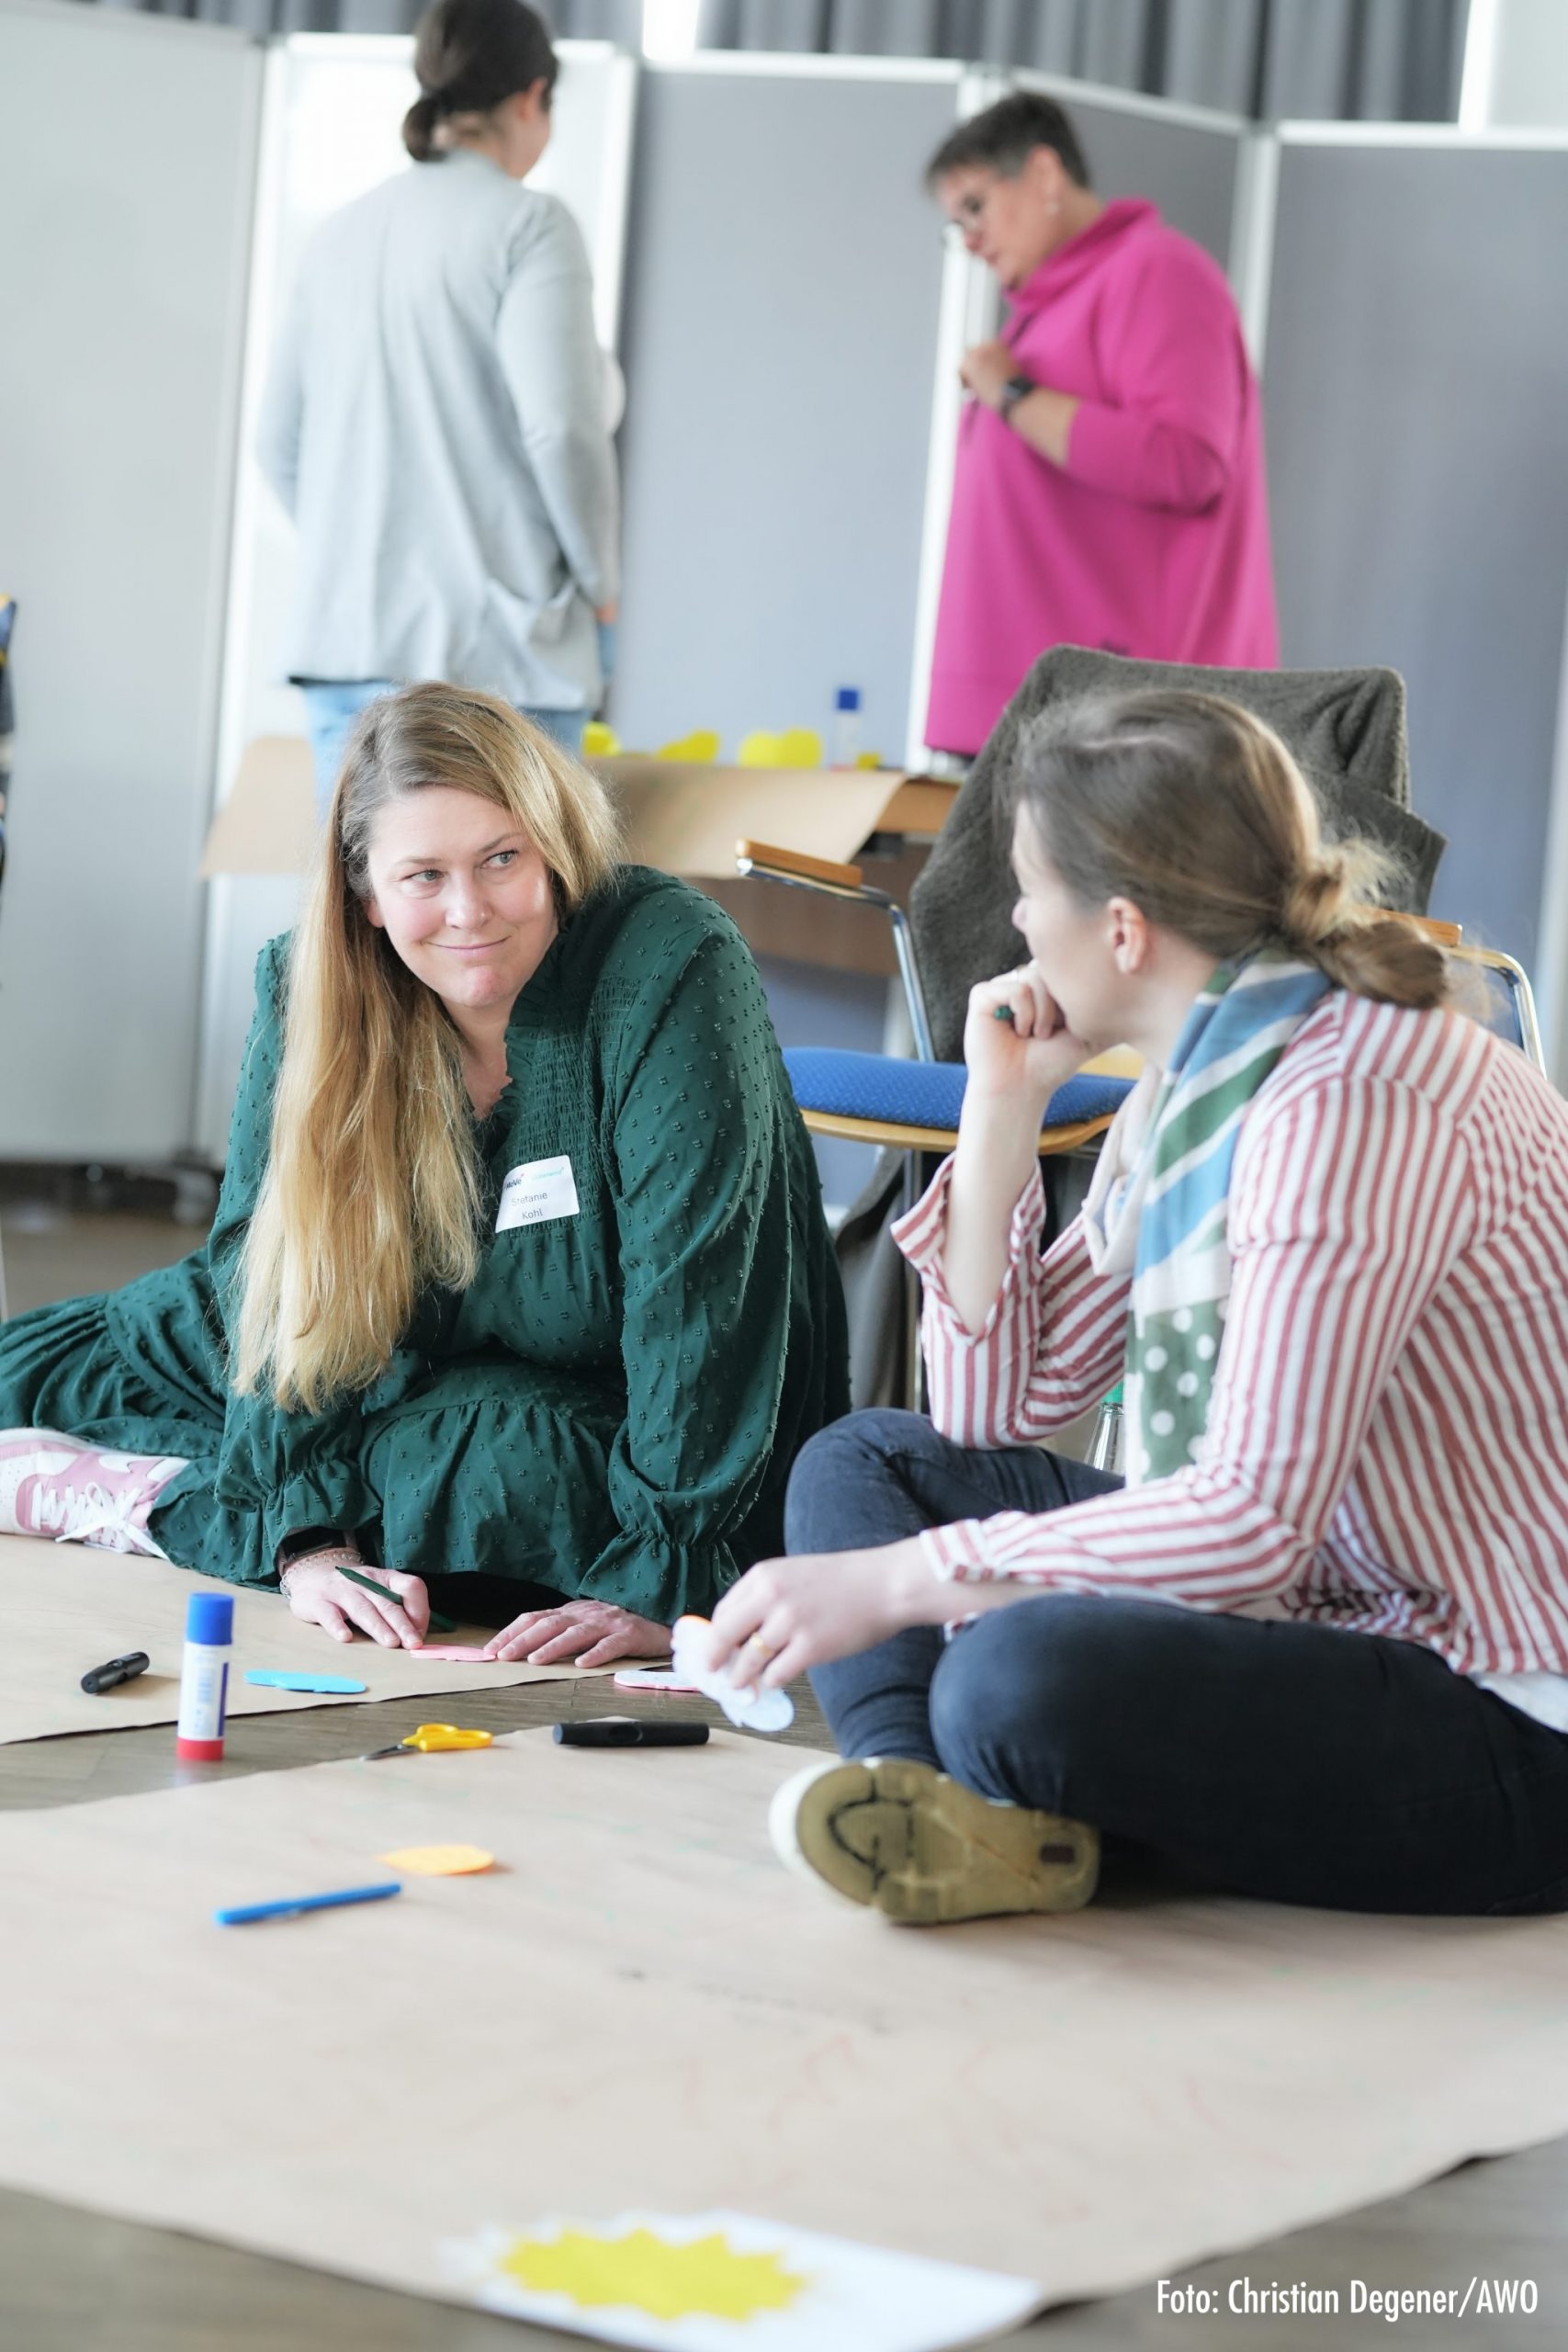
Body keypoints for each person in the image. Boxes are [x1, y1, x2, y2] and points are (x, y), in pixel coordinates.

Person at [702, 688, 1568, 1921]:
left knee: (1013, 1677)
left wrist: (899, 1584)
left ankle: (998, 1783)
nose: (1013, 922)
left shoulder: (1347, 1094)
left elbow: (1250, 1524)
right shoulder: (1195, 1080)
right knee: (863, 1463)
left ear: (1119, 929)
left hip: (1502, 1701)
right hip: (1327, 1596)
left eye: (1026, 890)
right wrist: (1000, 1109)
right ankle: (923, 1806)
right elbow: (992, 1411)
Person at [0, 686, 848, 1667]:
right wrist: (312, 1541)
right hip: (388, 1341)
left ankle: (163, 1496)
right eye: (423, 876)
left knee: (493, 1468)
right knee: (38, 1375)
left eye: (502, 859)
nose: (468, 910)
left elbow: (700, 1303)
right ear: (367, 895)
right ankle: (222, 1488)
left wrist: (668, 1570)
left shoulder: (669, 960)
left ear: (555, 848)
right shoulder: (312, 980)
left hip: (608, 1399)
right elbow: (275, 1280)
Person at [256, 0, 619, 813]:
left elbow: (276, 443)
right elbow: (561, 429)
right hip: (497, 662)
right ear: (532, 98)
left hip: (346, 646)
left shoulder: (339, 234)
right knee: (507, 895)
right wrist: (600, 581)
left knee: (363, 893)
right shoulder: (529, 225)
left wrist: (364, 551)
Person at [923, 93, 1278, 761]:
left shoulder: (1156, 272)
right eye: (956, 223)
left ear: (1043, 174)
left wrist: (1013, 394)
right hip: (1043, 726)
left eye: (975, 207)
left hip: (1121, 738)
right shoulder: (1046, 311)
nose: (969, 240)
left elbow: (1185, 463)